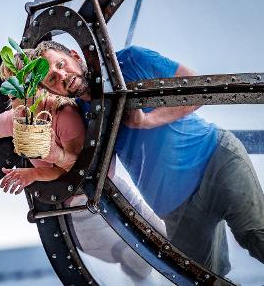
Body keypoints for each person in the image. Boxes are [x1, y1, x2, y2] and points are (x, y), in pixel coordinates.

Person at [34, 40, 264, 276]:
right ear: (52, 90)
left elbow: (197, 91)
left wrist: (148, 121)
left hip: (216, 158)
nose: (62, 75)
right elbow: (102, 173)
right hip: (177, 208)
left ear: (74, 55)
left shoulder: (130, 60)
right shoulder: (80, 118)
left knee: (258, 238)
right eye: (52, 79)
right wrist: (52, 153)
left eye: (61, 64)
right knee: (201, 279)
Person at [0, 51, 166, 281]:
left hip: (110, 194)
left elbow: (79, 172)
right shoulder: (17, 118)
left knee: (162, 241)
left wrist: (37, 169)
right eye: (13, 94)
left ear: (39, 87)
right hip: (79, 217)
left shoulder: (63, 115)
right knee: (134, 265)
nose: (19, 104)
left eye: (25, 91)